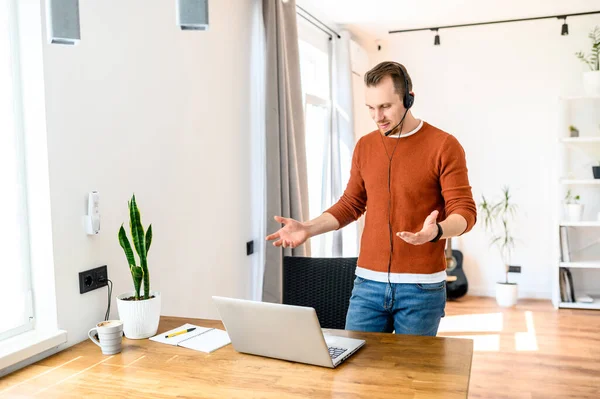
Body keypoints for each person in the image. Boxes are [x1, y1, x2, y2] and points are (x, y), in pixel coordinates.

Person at [265, 61, 477, 336]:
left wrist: (436, 231)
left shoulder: (444, 145)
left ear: (408, 97)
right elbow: (351, 204)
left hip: (421, 288)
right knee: (358, 371)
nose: (378, 116)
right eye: (370, 108)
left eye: (386, 106)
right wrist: (307, 228)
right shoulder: (365, 145)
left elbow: (465, 212)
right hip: (368, 285)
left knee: (408, 376)